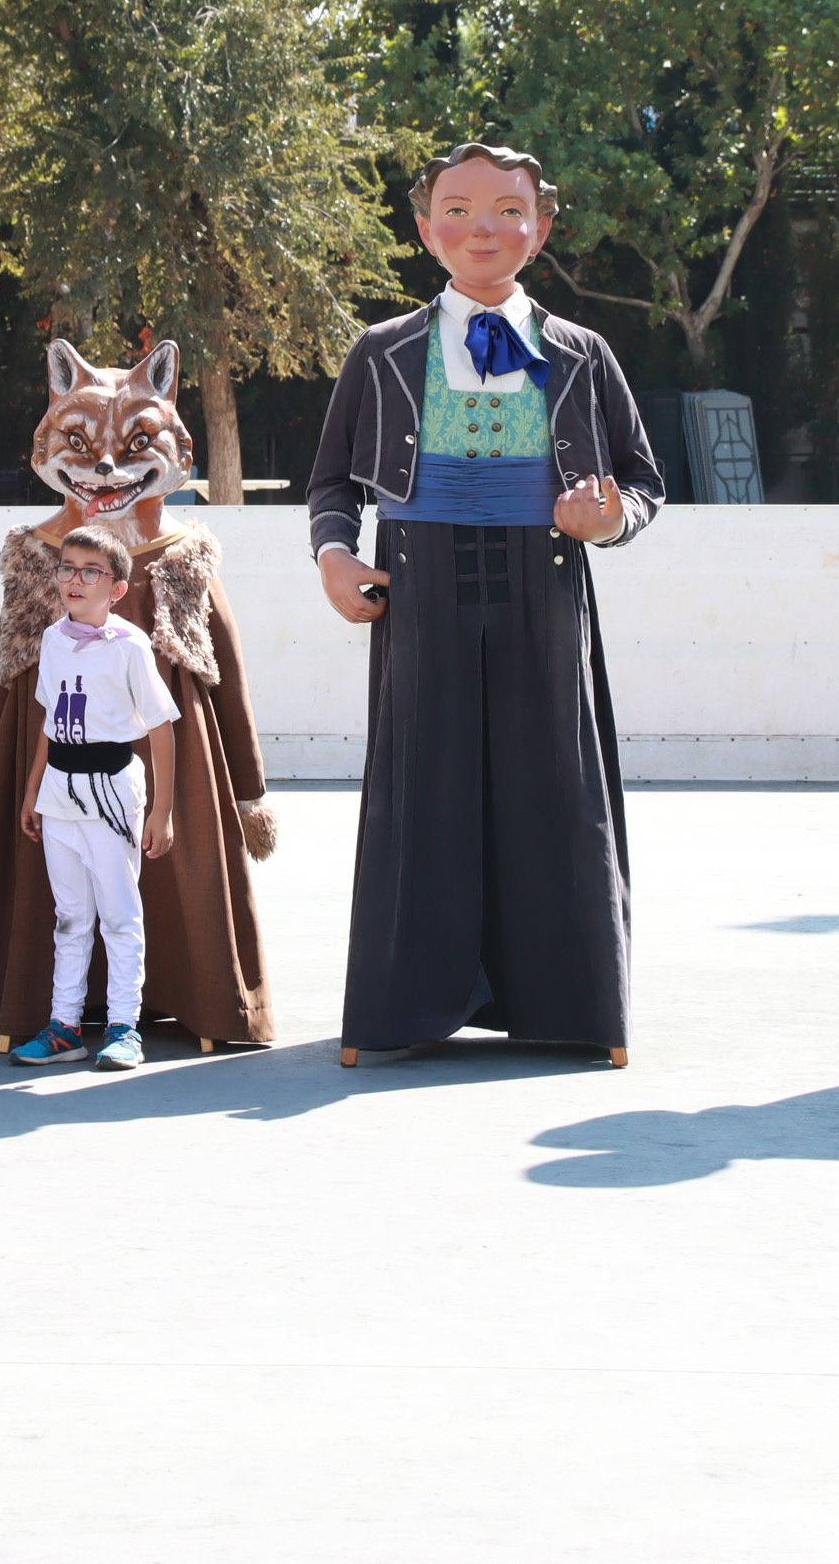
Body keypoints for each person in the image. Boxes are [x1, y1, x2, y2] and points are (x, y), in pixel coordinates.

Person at [304, 143, 665, 1067]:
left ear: (540, 230)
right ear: (426, 231)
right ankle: (403, 1009)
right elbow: (333, 485)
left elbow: (644, 481)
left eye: (508, 211)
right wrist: (337, 560)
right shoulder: (381, 352)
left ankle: (573, 1006)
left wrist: (608, 517)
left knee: (556, 783)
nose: (483, 230)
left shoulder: (584, 354)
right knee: (422, 787)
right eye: (458, 210)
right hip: (416, 592)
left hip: (547, 589)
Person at [0, 341, 280, 1056]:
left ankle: (143, 1015)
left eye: (135, 445)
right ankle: (65, 1016)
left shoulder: (184, 552)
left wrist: (247, 792)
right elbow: (10, 685)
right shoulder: (33, 554)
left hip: (156, 770)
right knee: (67, 907)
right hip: (62, 774)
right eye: (80, 444)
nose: (106, 467)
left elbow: (223, 673)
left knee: (146, 895)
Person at [5, 524, 186, 1072]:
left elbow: (160, 729)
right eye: (67, 568)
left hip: (112, 792)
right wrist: (34, 790)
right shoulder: (53, 638)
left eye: (90, 572)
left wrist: (161, 811)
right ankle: (64, 1026)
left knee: (119, 913)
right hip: (60, 793)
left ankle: (124, 1027)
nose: (74, 580)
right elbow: (49, 722)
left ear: (117, 588)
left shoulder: (130, 647)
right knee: (70, 915)